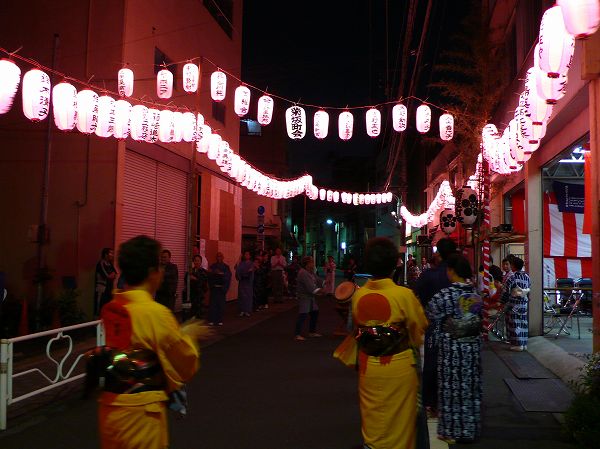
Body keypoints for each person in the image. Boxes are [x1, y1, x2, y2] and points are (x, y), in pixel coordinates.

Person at [98, 235, 199, 449]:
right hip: (141, 412)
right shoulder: (155, 313)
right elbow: (186, 364)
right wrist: (188, 335)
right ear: (153, 273)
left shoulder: (113, 306)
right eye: (160, 266)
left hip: (111, 407)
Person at [342, 237, 428, 449]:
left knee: (373, 420)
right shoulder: (404, 295)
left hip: (368, 366)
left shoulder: (359, 296)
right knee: (402, 422)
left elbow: (355, 329)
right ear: (394, 265)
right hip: (399, 365)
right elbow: (419, 328)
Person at [426, 253, 483, 444]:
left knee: (451, 389)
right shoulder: (475, 294)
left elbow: (431, 313)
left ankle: (450, 431)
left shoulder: (445, 295)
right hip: (472, 349)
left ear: (451, 271)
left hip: (451, 351)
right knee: (469, 388)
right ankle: (469, 429)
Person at [414, 237, 457, 415]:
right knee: (453, 365)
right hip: (457, 330)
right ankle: (452, 401)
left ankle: (431, 402)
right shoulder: (460, 275)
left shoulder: (429, 276)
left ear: (438, 253)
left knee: (432, 363)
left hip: (435, 327)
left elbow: (416, 297)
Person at [501, 256, 531, 351]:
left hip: (514, 303)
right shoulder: (527, 277)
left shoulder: (512, 277)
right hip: (524, 303)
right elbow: (529, 289)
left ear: (513, 266)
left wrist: (502, 301)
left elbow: (506, 291)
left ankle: (518, 344)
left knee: (515, 323)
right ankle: (524, 343)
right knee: (523, 323)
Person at [294, 256, 325, 341]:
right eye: (311, 262)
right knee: (303, 314)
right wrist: (321, 290)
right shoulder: (303, 273)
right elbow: (311, 288)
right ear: (307, 264)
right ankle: (297, 334)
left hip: (310, 297)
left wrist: (325, 283)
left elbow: (317, 280)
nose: (313, 264)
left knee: (315, 312)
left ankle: (312, 332)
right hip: (305, 296)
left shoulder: (309, 272)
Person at [207, 252, 232, 326]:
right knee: (213, 305)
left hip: (221, 289)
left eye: (220, 256)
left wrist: (222, 274)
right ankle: (212, 319)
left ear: (223, 257)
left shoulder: (226, 267)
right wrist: (213, 273)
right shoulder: (213, 266)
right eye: (217, 256)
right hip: (214, 288)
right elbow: (209, 276)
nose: (219, 257)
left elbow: (228, 277)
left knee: (220, 305)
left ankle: (219, 319)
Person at [183, 255, 208, 319]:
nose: (196, 262)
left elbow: (204, 283)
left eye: (198, 261)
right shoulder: (190, 271)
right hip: (190, 296)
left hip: (199, 298)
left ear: (201, 262)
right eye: (195, 260)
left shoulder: (204, 272)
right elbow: (185, 280)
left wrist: (195, 279)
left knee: (199, 316)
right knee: (188, 314)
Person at [94, 248, 117, 317]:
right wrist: (111, 275)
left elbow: (115, 274)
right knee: (100, 307)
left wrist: (112, 275)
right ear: (106, 254)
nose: (112, 255)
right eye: (111, 253)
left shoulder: (110, 264)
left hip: (109, 289)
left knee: (108, 307)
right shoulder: (101, 263)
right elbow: (107, 276)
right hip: (102, 289)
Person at [235, 251, 254, 317]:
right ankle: (242, 310)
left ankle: (247, 310)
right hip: (242, 281)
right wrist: (239, 258)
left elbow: (251, 271)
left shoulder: (251, 263)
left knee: (248, 296)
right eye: (245, 254)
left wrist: (249, 272)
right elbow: (237, 268)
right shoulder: (241, 263)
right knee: (241, 296)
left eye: (247, 254)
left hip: (248, 282)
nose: (246, 255)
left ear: (250, 256)